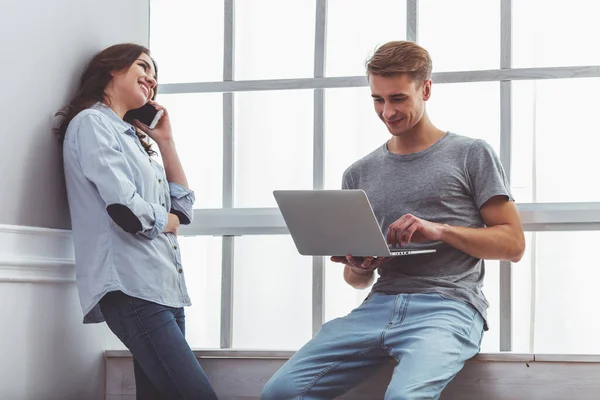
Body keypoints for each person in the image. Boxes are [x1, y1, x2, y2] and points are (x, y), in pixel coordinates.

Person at [261, 40, 525, 400]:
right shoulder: (359, 173)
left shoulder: (470, 154)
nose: (387, 112)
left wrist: (439, 230)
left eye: (398, 98)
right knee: (281, 393)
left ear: (426, 89)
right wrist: (359, 265)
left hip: (448, 307)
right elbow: (356, 280)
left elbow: (513, 244)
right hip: (378, 306)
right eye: (377, 100)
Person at [55, 43, 218, 400]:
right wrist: (169, 222)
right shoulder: (92, 124)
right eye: (143, 66)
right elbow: (126, 212)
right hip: (131, 289)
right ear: (111, 71)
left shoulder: (133, 140)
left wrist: (166, 142)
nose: (152, 78)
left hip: (165, 289)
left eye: (156, 75)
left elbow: (184, 207)